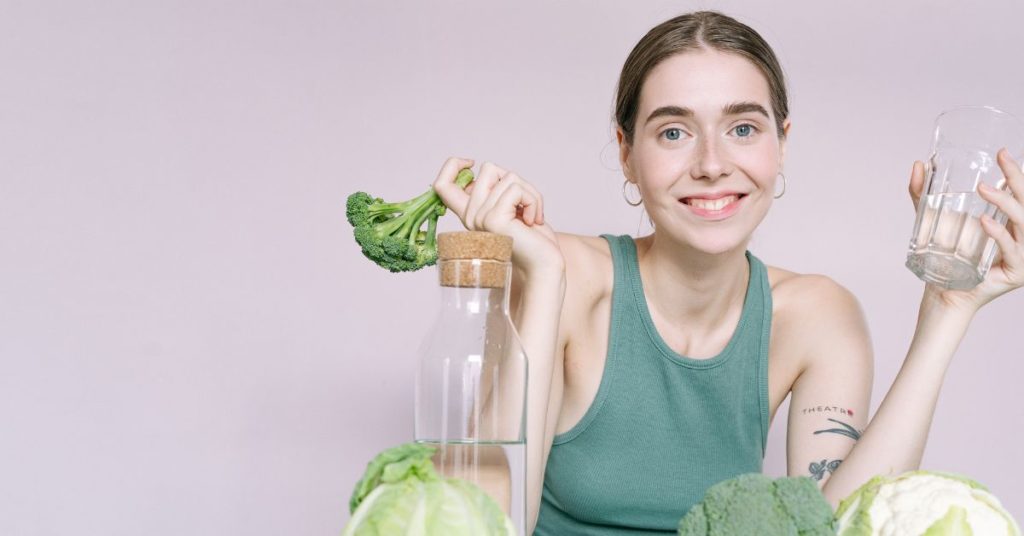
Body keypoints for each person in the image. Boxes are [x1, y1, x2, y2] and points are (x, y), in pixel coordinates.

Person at [432, 11, 1024, 535]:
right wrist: (539, 282)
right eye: (673, 132)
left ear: (781, 145)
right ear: (625, 153)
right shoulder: (562, 274)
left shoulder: (816, 315)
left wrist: (948, 312)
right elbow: (486, 521)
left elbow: (841, 523)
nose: (713, 164)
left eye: (743, 128)